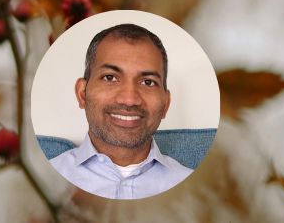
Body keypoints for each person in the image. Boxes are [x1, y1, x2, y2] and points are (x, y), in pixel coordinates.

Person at [50, 23, 192, 199]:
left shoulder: (194, 190)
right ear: (82, 94)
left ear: (166, 104)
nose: (129, 99)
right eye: (110, 78)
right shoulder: (44, 182)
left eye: (147, 82)